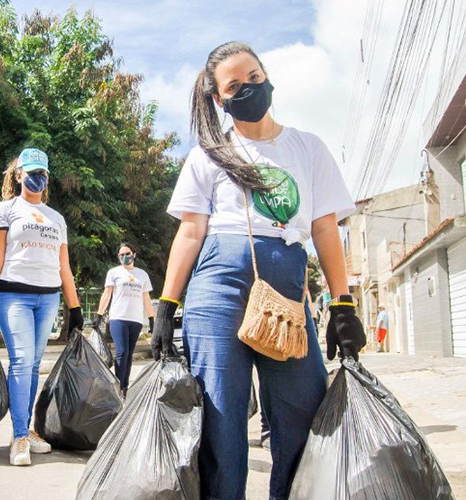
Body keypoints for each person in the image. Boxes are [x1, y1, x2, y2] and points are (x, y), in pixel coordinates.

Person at [149, 42, 366, 499]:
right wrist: (167, 305)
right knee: (222, 421)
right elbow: (190, 232)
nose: (249, 89)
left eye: (254, 77)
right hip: (217, 288)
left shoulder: (308, 148)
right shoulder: (208, 154)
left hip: (288, 291)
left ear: (267, 76)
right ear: (218, 100)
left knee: (303, 416)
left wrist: (343, 305)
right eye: (234, 86)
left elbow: (326, 231)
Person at [0, 147, 84, 466]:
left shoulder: (57, 218)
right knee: (22, 361)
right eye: (31, 172)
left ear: (47, 178)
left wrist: (75, 308)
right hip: (14, 295)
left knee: (34, 363)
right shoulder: (5, 210)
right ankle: (21, 435)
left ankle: (23, 430)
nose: (37, 178)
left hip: (48, 297)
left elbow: (64, 267)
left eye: (42, 173)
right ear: (19, 174)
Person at [92, 243, 154, 398]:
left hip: (136, 320)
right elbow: (107, 294)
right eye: (121, 255)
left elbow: (146, 298)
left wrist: (152, 318)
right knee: (122, 352)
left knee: (129, 354)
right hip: (118, 318)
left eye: (127, 253)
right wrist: (99, 315)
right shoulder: (114, 272)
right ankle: (118, 386)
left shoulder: (142, 274)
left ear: (134, 254)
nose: (125, 257)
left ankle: (125, 388)